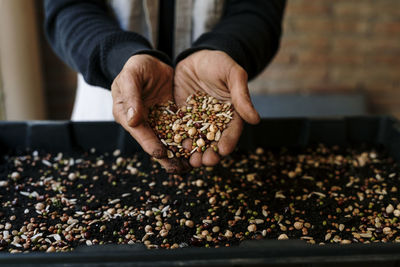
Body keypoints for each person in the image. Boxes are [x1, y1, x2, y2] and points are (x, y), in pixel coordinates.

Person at [44, 0, 286, 172]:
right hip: (110, 101)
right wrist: (120, 57)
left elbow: (259, 9)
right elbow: (68, 9)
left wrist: (224, 47)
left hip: (217, 95)